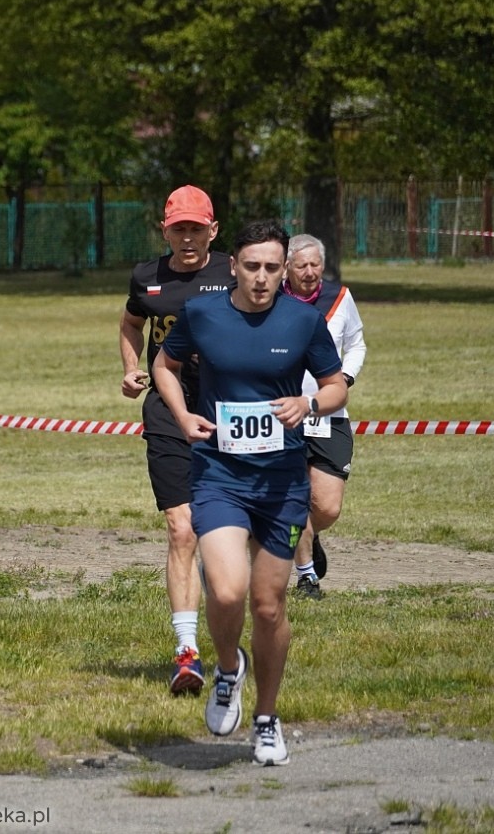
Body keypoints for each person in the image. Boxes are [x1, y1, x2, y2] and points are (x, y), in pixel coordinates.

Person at [152, 220, 347, 767]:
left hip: (282, 482)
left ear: (284, 270)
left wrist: (308, 406)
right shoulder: (203, 314)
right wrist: (183, 414)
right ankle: (228, 670)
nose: (261, 278)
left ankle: (266, 717)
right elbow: (164, 366)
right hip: (219, 474)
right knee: (229, 591)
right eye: (251, 266)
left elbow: (335, 386)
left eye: (271, 268)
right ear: (232, 266)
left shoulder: (303, 319)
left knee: (268, 605)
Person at [119, 185, 231, 697]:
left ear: (212, 230)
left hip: (228, 407)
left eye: (195, 228)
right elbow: (130, 323)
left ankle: (230, 630)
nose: (186, 238)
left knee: (224, 534)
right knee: (180, 529)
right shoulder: (148, 277)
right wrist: (129, 367)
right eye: (177, 228)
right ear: (164, 231)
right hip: (167, 406)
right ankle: (186, 653)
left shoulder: (233, 273)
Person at [281, 234, 367, 599]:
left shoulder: (339, 298)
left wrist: (344, 378)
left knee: (327, 507)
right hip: (284, 413)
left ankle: (306, 536)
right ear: (287, 267)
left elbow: (357, 343)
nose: (310, 271)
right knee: (296, 498)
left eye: (316, 264)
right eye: (302, 265)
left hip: (329, 413)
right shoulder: (273, 299)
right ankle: (306, 578)